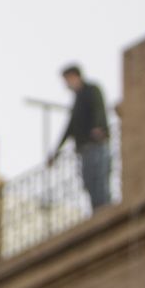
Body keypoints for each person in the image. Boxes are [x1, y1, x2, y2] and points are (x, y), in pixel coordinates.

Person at [49, 65, 111, 208]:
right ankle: (97, 210)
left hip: (96, 144)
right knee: (89, 181)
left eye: (67, 79)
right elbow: (70, 127)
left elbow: (98, 108)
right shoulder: (77, 99)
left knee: (99, 180)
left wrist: (98, 127)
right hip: (84, 148)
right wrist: (56, 151)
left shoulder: (91, 90)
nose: (66, 84)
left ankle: (104, 209)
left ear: (75, 76)